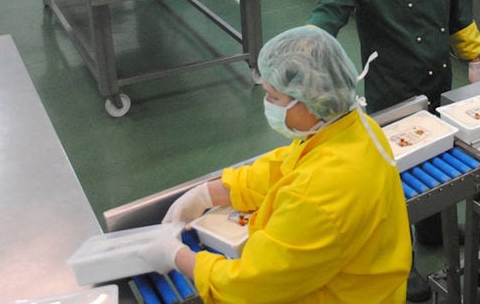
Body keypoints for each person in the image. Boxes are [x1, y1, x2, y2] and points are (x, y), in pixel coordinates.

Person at [138, 26, 412, 303]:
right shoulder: (355, 128)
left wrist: (177, 256)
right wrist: (210, 192)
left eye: (274, 97)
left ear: (312, 101)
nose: (267, 103)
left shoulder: (319, 192)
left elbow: (251, 285)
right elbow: (285, 166)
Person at [306, 0, 480, 301]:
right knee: (394, 181)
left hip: (437, 81)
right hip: (393, 90)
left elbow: (456, 9)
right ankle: (398, 262)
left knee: (440, 159)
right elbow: (329, 13)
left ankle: (432, 229)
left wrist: (474, 63)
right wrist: (307, 48)